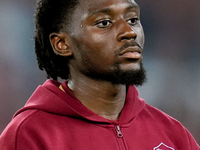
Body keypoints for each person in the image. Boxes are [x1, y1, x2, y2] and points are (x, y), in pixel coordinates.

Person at [0, 0, 199, 149]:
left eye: (133, 19)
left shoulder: (173, 134)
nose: (129, 32)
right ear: (62, 44)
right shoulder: (30, 135)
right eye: (104, 23)